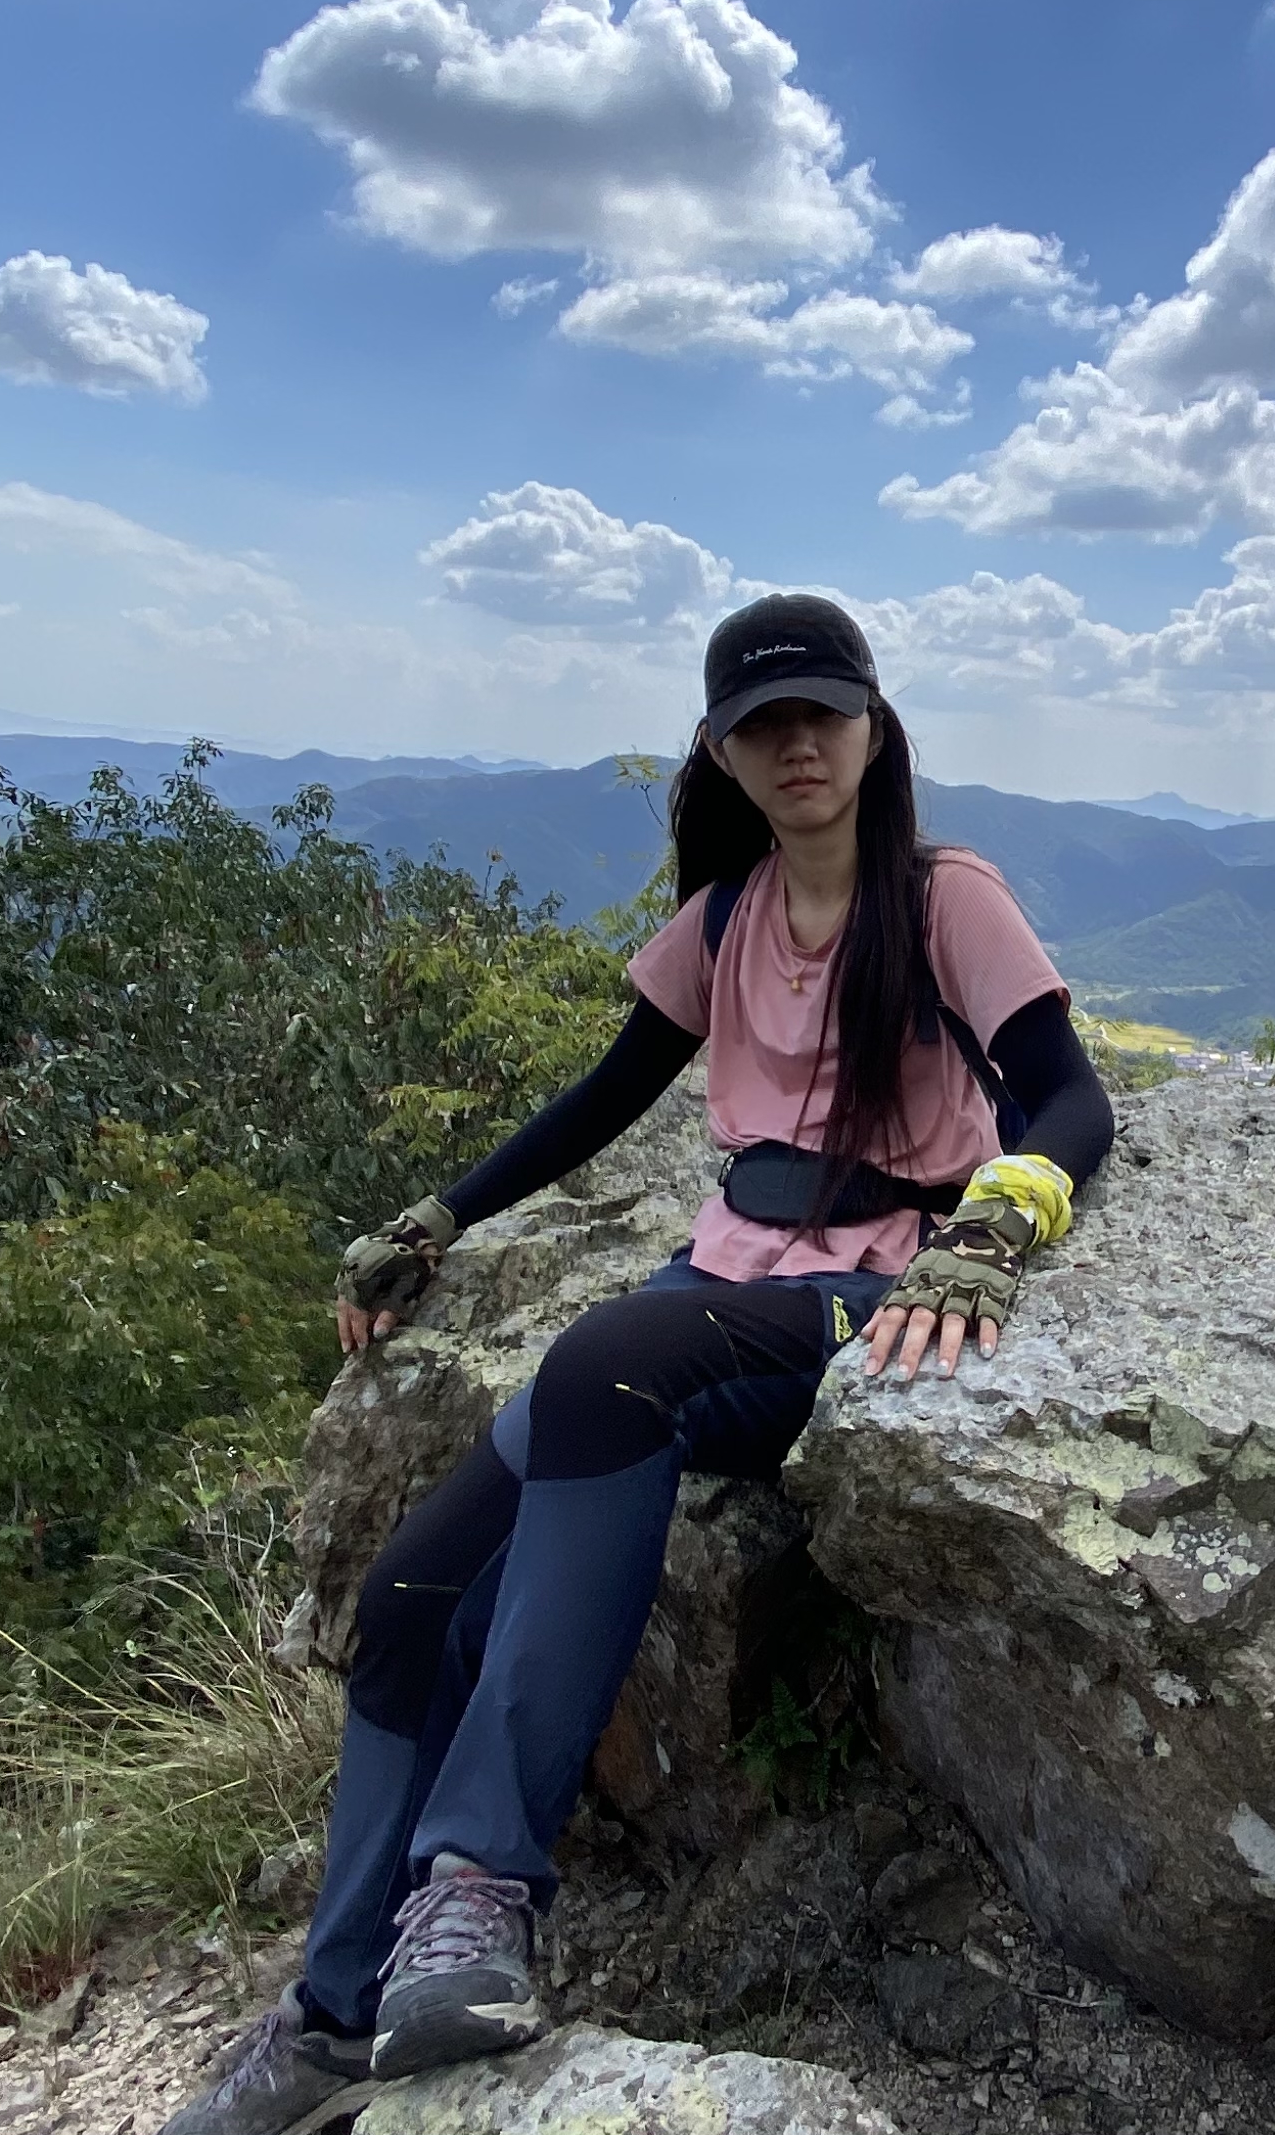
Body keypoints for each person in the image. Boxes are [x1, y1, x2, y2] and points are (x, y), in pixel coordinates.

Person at [162, 593, 1116, 2135]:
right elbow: (604, 1095)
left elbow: (1070, 1097)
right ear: (722, 752)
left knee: (610, 1357)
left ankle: (479, 1890)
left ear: (874, 728)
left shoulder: (947, 900)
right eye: (762, 723)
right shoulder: (729, 918)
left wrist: (996, 1227)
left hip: (863, 1300)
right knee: (409, 1599)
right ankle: (333, 2014)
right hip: (712, 1292)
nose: (797, 744)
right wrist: (440, 1217)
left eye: (823, 714)